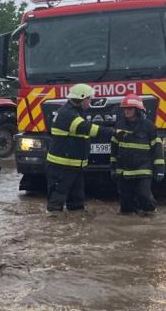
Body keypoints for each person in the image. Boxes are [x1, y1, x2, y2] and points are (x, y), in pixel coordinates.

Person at [45, 83, 113, 212]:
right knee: (56, 202)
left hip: (73, 166)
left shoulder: (74, 112)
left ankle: (76, 225)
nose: (90, 101)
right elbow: (88, 129)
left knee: (77, 202)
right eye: (89, 98)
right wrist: (112, 132)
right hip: (62, 167)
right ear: (81, 98)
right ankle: (55, 228)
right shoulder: (68, 114)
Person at [111, 93, 164, 214]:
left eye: (129, 109)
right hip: (123, 170)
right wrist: (113, 168)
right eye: (125, 109)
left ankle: (151, 214)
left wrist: (160, 168)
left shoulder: (148, 126)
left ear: (138, 110)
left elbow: (157, 148)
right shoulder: (119, 125)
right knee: (126, 205)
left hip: (143, 170)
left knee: (144, 195)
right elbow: (114, 147)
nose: (126, 111)